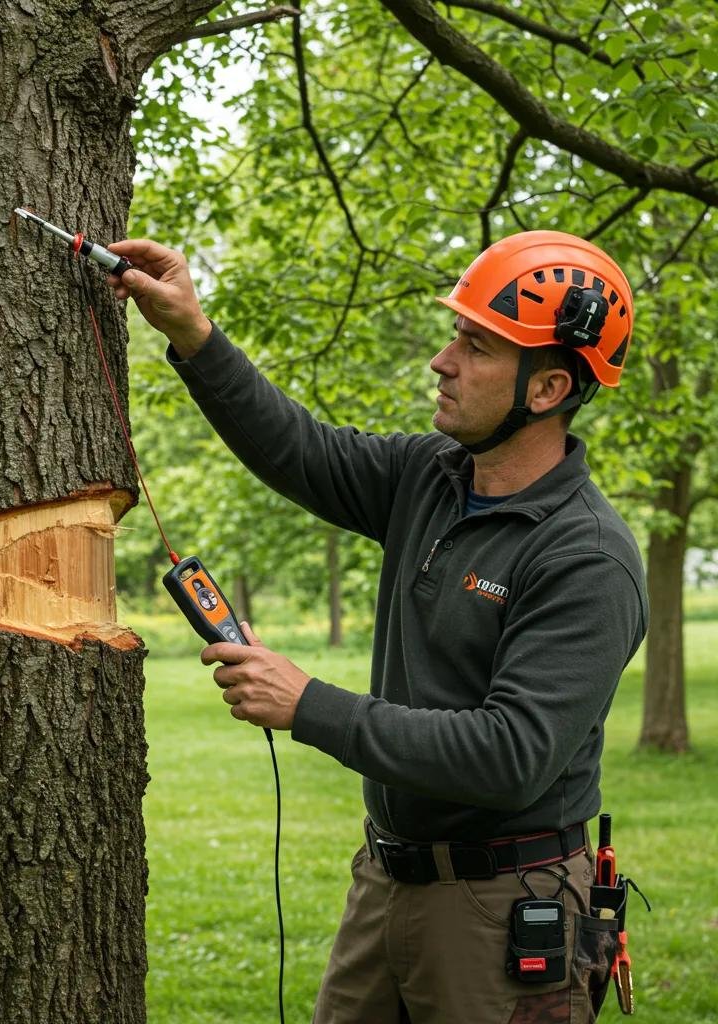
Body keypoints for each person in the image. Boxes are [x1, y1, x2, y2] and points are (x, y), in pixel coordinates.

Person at [107, 230, 648, 1024]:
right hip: (386, 884)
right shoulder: (429, 477)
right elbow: (300, 450)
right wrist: (192, 331)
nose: (443, 360)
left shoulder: (587, 556)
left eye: (477, 346)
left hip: (504, 907)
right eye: (454, 335)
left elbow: (511, 757)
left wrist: (308, 703)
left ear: (548, 386)